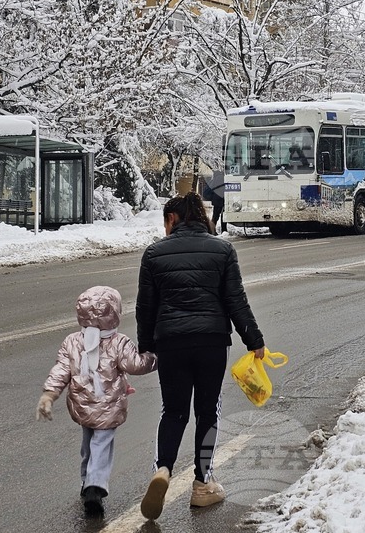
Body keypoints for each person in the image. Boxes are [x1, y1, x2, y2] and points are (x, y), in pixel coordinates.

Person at [135, 192, 265, 520]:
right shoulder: (222, 249)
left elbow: (145, 308)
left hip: (171, 344)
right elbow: (236, 300)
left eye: (165, 221)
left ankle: (162, 469)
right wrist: (254, 340)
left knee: (174, 412)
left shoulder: (154, 254)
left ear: (174, 219)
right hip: (210, 343)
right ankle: (202, 483)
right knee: (208, 412)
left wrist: (146, 345)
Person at [37, 286, 157, 519]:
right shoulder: (119, 342)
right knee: (102, 444)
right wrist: (154, 358)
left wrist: (49, 394)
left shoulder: (72, 341)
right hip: (108, 405)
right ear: (114, 313)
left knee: (88, 444)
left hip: (82, 406)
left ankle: (86, 480)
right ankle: (95, 487)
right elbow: (136, 365)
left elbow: (61, 369)